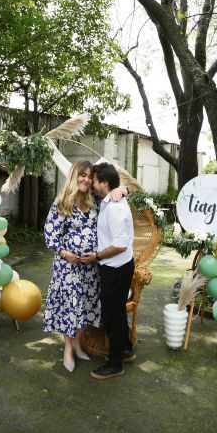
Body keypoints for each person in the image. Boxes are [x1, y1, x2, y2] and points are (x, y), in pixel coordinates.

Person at [43, 160, 125, 373]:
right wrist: (64, 253)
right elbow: (50, 234)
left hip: (90, 268)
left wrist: (121, 190)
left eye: (90, 176)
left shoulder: (95, 200)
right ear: (74, 176)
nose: (87, 179)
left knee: (85, 308)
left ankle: (79, 343)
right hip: (68, 267)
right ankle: (68, 349)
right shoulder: (62, 201)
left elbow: (116, 191)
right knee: (70, 308)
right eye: (83, 175)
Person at [81, 162, 136, 380]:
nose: (91, 184)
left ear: (104, 183)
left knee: (112, 316)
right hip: (118, 266)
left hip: (115, 267)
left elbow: (120, 244)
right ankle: (125, 350)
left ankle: (115, 364)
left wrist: (97, 256)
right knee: (118, 312)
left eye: (94, 181)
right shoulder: (110, 199)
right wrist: (122, 188)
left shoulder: (114, 208)